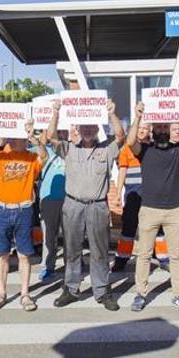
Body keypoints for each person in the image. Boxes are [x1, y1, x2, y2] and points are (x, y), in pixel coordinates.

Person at [47, 97, 125, 311]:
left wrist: (111, 113)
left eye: (92, 126)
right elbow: (50, 136)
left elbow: (120, 136)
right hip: (72, 205)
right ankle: (71, 289)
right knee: (72, 249)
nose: (88, 129)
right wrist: (55, 112)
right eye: (85, 126)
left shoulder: (106, 150)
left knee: (99, 250)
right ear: (78, 129)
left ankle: (102, 291)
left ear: (97, 128)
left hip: (98, 206)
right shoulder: (69, 148)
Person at [127, 101, 179, 314]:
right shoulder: (144, 150)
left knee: (177, 254)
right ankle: (140, 294)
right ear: (153, 129)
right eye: (158, 127)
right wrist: (138, 117)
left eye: (164, 127)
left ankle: (178, 295)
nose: (161, 130)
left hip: (174, 210)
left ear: (169, 129)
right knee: (143, 255)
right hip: (149, 209)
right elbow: (130, 141)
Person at [0, 121, 47, 311]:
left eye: (18, 137)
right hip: (1, 210)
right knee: (2, 254)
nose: (13, 140)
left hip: (23, 210)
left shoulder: (31, 157)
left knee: (23, 255)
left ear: (24, 139)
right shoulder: (1, 156)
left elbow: (44, 157)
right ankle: (1, 293)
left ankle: (25, 294)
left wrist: (35, 140)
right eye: (11, 137)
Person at [112, 122, 151, 272]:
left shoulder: (153, 148)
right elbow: (122, 172)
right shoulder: (126, 149)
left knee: (156, 228)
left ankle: (162, 257)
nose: (142, 131)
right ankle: (121, 258)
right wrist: (118, 193)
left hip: (150, 195)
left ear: (150, 130)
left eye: (145, 128)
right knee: (128, 229)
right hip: (133, 195)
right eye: (140, 128)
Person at [37, 129, 66, 282]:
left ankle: (72, 266)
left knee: (71, 236)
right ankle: (48, 267)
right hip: (49, 199)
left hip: (70, 199)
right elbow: (40, 143)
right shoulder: (44, 150)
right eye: (57, 132)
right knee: (49, 236)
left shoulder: (71, 150)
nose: (59, 134)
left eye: (62, 132)